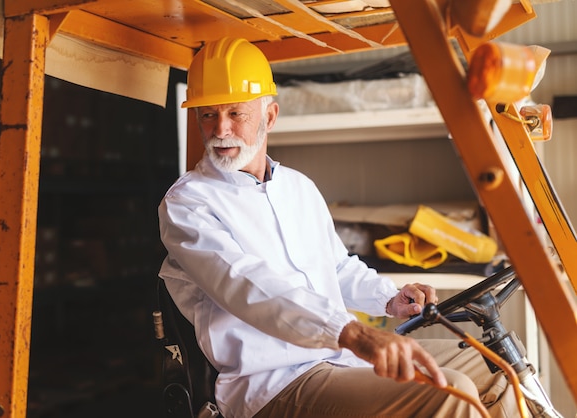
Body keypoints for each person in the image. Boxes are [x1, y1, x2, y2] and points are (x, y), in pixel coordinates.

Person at [158, 37, 517, 418]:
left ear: (270, 116)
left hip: (340, 356)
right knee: (451, 394)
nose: (220, 129)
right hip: (273, 384)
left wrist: (389, 299)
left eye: (235, 114)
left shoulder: (298, 187)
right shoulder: (188, 203)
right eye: (208, 115)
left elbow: (338, 266)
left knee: (497, 367)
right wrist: (354, 333)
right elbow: (248, 286)